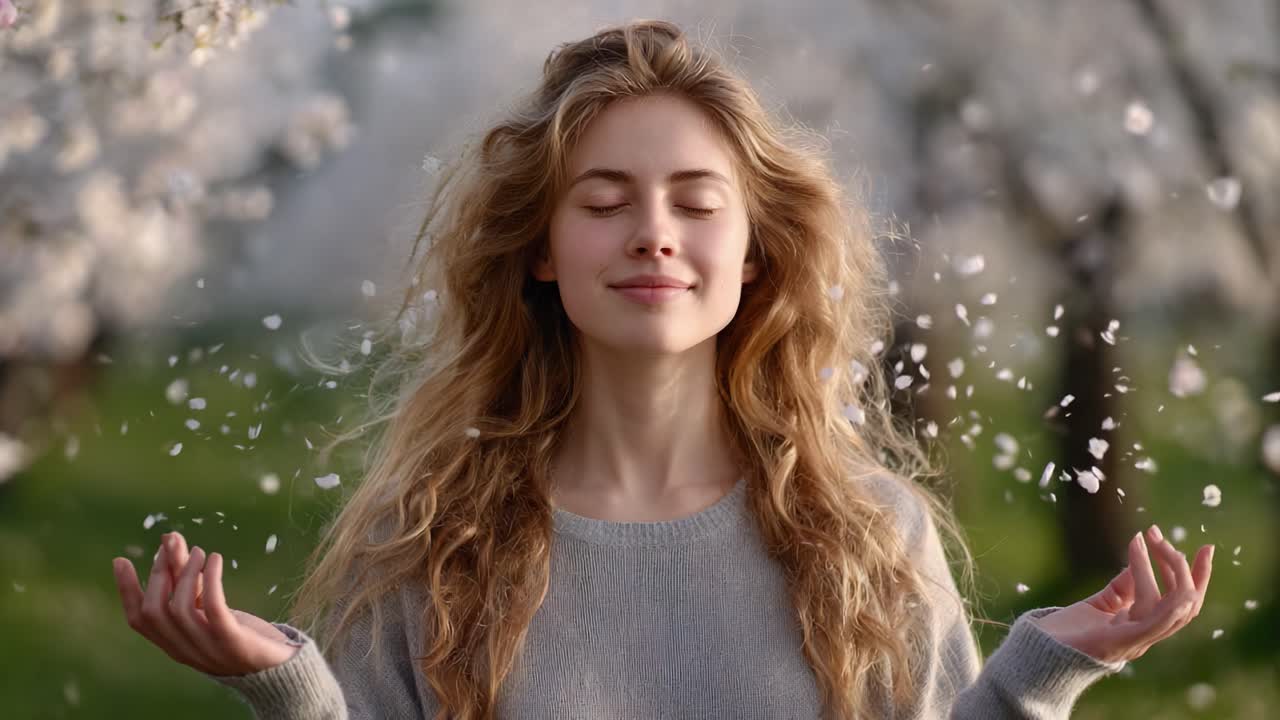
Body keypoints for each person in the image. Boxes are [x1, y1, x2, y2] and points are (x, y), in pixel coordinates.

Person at [110, 18, 1214, 720]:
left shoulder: (868, 538)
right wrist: (287, 693)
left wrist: (1034, 677)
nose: (652, 233)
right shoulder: (426, 543)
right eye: (602, 202)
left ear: (755, 252)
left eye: (694, 202)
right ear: (540, 250)